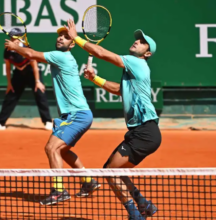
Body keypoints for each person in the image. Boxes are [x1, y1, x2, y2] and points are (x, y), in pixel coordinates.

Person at [66, 19, 162, 220]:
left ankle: (135, 215)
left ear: (147, 54)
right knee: (114, 170)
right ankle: (144, 204)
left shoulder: (137, 62)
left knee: (108, 172)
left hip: (145, 132)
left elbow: (103, 54)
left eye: (142, 42)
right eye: (137, 39)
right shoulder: (133, 70)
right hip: (142, 132)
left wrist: (76, 38)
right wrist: (95, 79)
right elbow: (120, 90)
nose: (137, 41)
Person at [4, 27, 100, 205]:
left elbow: (32, 55)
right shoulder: (61, 57)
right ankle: (88, 181)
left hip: (76, 114)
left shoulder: (62, 57)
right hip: (75, 115)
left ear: (72, 44)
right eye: (59, 36)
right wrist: (20, 46)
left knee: (51, 148)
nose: (60, 39)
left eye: (65, 37)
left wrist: (15, 47)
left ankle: (59, 191)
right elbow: (31, 53)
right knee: (62, 150)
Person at [0, 28, 53, 131]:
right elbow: (8, 67)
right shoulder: (7, 51)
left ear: (21, 38)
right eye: (12, 37)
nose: (14, 39)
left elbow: (35, 65)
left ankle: (48, 122)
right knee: (10, 96)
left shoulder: (26, 48)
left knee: (40, 94)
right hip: (19, 74)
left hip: (32, 73)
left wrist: (38, 81)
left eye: (16, 37)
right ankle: (0, 123)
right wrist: (9, 84)